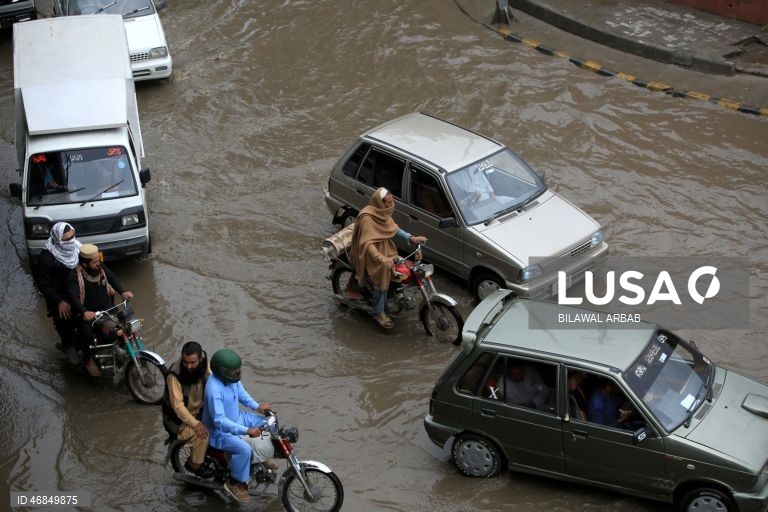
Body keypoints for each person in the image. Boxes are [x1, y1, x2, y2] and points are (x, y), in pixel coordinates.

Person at [202, 349, 276, 503]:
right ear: (222, 372)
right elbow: (220, 421)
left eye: (238, 370)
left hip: (237, 418)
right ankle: (234, 483)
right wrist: (247, 430)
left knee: (267, 423)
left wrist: (257, 407)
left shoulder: (232, 379)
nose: (237, 373)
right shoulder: (213, 390)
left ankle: (260, 457)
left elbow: (242, 394)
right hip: (219, 432)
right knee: (244, 449)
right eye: (233, 371)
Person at [348, 187, 427, 329]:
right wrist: (381, 259)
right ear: (380, 203)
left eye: (392, 201)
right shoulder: (367, 218)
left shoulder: (382, 213)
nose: (391, 205)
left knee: (403, 269)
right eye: (388, 203)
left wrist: (412, 238)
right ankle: (379, 313)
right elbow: (367, 244)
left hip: (386, 250)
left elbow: (394, 229)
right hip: (370, 255)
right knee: (380, 284)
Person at [68, 243, 134, 377]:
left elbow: (112, 277)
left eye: (99, 260)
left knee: (121, 326)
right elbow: (73, 297)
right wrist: (84, 311)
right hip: (87, 313)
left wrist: (123, 291)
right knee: (86, 335)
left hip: (105, 307)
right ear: (85, 265)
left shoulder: (100, 268)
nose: (98, 264)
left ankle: (122, 351)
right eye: (95, 262)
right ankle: (87, 360)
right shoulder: (75, 276)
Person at [162, 341, 213, 479]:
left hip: (198, 410)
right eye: (185, 362)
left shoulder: (204, 361)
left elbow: (211, 378)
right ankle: (193, 464)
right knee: (202, 433)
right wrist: (196, 424)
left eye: (192, 363)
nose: (188, 366)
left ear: (200, 359)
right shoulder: (174, 376)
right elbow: (178, 407)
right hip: (178, 420)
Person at [35, 222, 81, 364]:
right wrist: (59, 301)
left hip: (78, 291)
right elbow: (43, 285)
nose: (71, 241)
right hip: (60, 297)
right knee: (64, 322)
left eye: (73, 236)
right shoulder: (46, 259)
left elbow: (94, 262)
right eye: (67, 239)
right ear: (57, 240)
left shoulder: (77, 247)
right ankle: (68, 347)